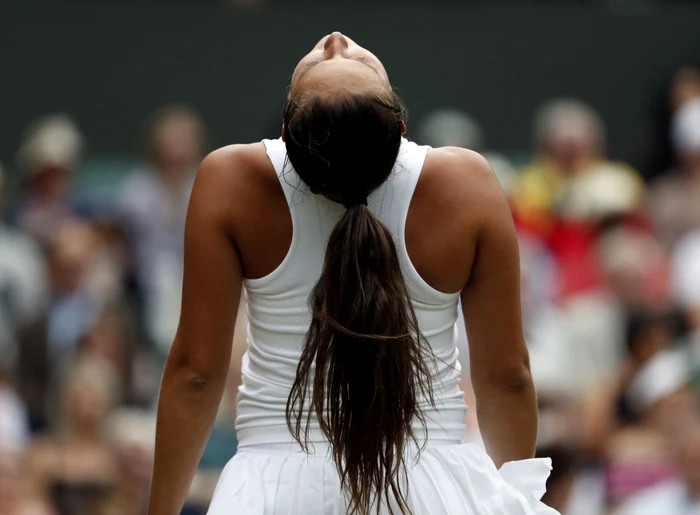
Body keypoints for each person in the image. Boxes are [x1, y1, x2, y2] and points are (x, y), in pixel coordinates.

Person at [148, 32, 557, 515]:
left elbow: (196, 373)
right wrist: (518, 499)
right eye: (343, 58)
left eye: (342, 57)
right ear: (399, 127)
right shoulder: (466, 183)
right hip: (438, 489)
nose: (336, 41)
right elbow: (507, 377)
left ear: (286, 131)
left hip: (270, 492)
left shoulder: (229, 180)